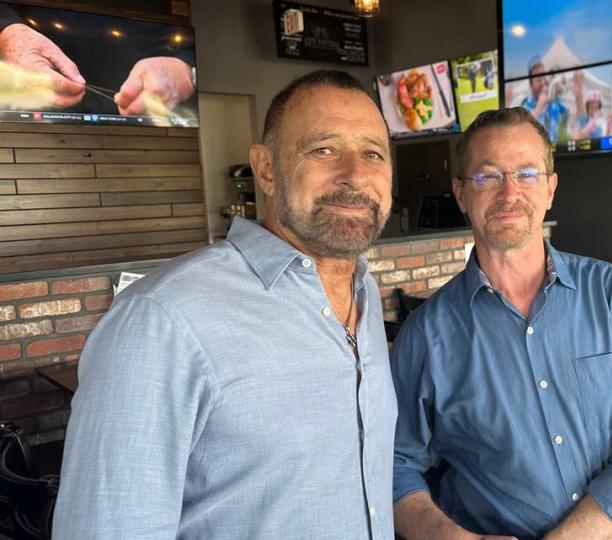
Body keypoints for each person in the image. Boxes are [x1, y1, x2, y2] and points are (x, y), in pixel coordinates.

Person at [54, 70, 397, 539]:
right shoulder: (161, 320)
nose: (355, 174)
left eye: (373, 153)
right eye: (324, 149)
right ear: (267, 168)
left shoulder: (364, 291)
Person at [391, 107, 612, 540]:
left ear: (550, 189)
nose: (509, 192)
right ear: (460, 193)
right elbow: (395, 465)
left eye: (527, 173)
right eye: (488, 176)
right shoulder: (426, 334)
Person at [0, 4, 195, 116]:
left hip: (148, 121)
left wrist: (185, 67)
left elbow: (208, 34)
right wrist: (8, 31)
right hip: (28, 113)